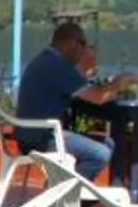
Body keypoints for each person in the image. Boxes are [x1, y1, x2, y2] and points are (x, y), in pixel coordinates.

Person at [12, 18, 117, 182]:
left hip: (31, 134)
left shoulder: (47, 60)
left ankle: (62, 187)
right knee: (100, 154)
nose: (85, 50)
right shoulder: (56, 65)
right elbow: (98, 97)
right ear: (71, 43)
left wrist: (84, 68)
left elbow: (78, 87)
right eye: (83, 44)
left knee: (108, 143)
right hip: (40, 139)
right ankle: (65, 192)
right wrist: (121, 81)